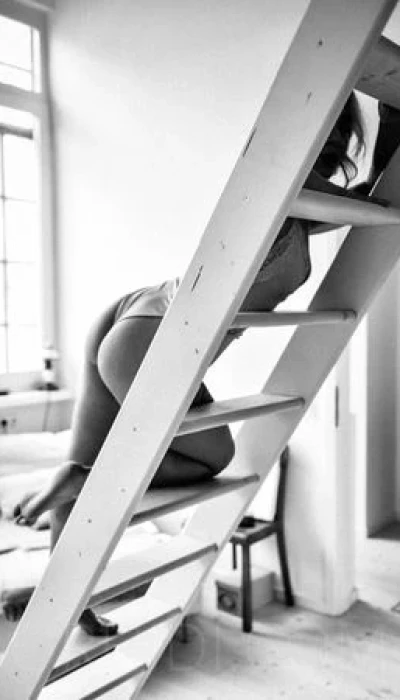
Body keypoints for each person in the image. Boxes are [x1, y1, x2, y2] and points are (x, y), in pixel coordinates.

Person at [4, 92, 379, 635]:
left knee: (92, 460)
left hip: (136, 316)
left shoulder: (297, 203)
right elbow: (366, 203)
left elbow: (363, 203)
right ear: (332, 134)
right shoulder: (288, 180)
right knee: (216, 455)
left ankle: (69, 596)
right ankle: (84, 481)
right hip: (153, 338)